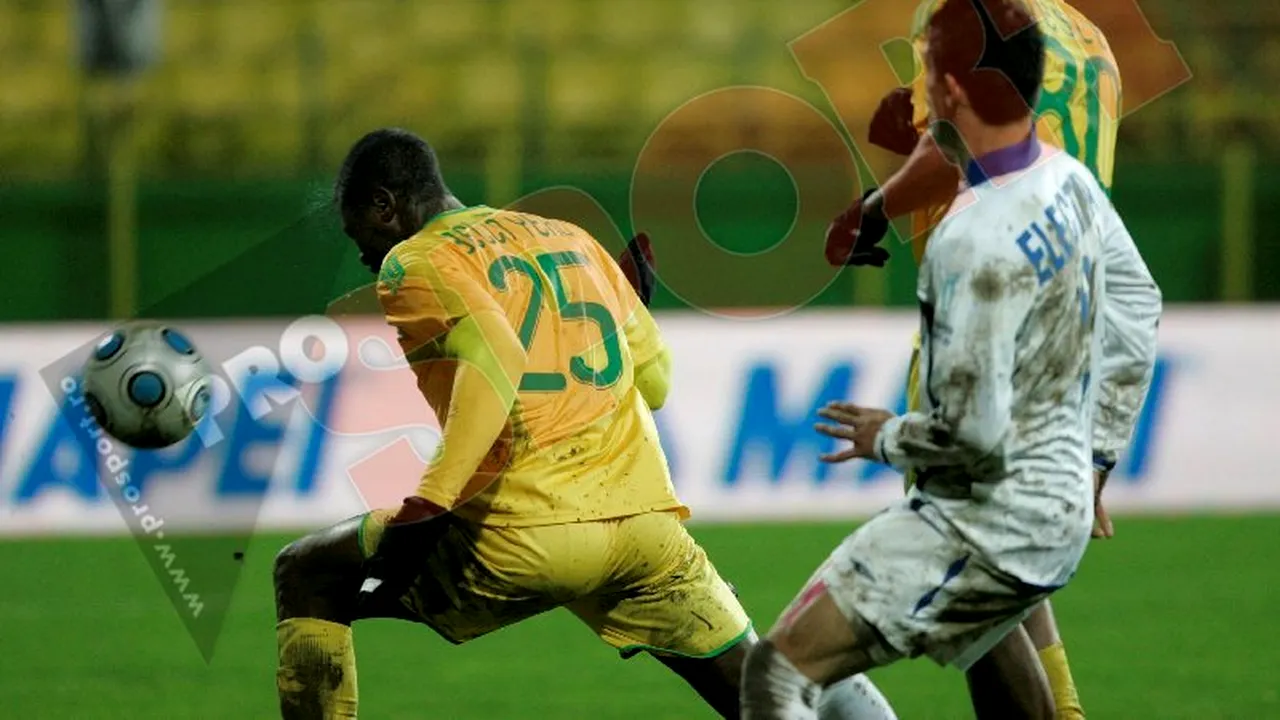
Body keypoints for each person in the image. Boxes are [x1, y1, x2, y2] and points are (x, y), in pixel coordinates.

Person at [273, 127, 896, 719]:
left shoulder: (414, 262)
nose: (365, 256)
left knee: (305, 573)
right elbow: (655, 384)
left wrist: (427, 506)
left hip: (526, 534)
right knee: (760, 693)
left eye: (362, 236)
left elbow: (495, 361)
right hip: (645, 528)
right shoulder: (568, 238)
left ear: (386, 206)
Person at [743, 1, 1129, 716]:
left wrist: (874, 207)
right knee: (994, 562)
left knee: (966, 551)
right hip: (1074, 288)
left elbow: (953, 149)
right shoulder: (1092, 40)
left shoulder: (963, 16)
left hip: (992, 297)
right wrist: (1099, 448)